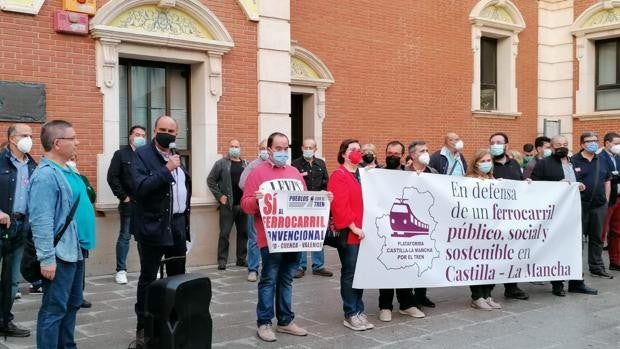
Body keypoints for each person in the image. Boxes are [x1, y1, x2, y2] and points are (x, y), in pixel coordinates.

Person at [241, 132, 310, 342]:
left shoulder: (295, 172)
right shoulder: (257, 173)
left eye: (285, 148)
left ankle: (285, 321)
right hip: (269, 238)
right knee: (269, 279)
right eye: (278, 148)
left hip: (294, 237)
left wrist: (323, 200)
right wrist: (256, 201)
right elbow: (245, 204)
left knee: (287, 278)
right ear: (269, 150)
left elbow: (305, 200)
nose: (282, 152)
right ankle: (264, 323)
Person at [131, 116, 191, 347]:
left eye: (172, 130)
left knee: (177, 277)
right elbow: (141, 188)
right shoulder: (143, 156)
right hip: (153, 228)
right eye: (163, 129)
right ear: (155, 131)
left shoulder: (176, 155)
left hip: (176, 226)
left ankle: (172, 323)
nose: (168, 134)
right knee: (149, 278)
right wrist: (166, 169)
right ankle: (144, 328)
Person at [28, 120, 85, 348]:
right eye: (73, 138)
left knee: (72, 304)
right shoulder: (45, 176)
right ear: (58, 143)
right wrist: (47, 259)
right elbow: (41, 221)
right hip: (58, 255)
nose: (77, 142)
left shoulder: (65, 170)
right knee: (54, 309)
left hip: (74, 251)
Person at [531, 135, 598, 296]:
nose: (562, 147)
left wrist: (580, 184)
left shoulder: (573, 161)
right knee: (557, 246)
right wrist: (555, 186)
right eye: (558, 144)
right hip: (555, 213)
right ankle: (558, 284)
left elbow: (578, 179)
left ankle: (577, 282)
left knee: (577, 245)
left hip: (574, 210)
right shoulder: (544, 164)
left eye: (565, 144)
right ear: (551, 147)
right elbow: (534, 184)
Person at [328, 139, 374, 331]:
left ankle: (358, 309)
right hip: (350, 232)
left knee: (360, 273)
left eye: (359, 150)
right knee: (350, 272)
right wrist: (353, 227)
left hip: (365, 231)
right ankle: (350, 312)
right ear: (344, 153)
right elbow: (339, 205)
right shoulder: (339, 175)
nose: (357, 153)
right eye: (352, 149)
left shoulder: (363, 174)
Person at [378, 141, 425, 322]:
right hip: (384, 227)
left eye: (396, 153)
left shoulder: (410, 174)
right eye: (389, 152)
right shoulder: (377, 172)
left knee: (405, 266)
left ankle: (407, 304)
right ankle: (385, 306)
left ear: (402, 155)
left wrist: (421, 177)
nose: (392, 156)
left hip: (404, 228)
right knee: (387, 266)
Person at [0, 123, 36, 337]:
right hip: (1, 225)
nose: (29, 139)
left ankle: (5, 320)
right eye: (25, 135)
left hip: (21, 227)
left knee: (11, 280)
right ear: (12, 138)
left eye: (31, 135)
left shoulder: (33, 165)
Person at [488, 132, 529, 301]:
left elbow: (519, 186)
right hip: (492, 217)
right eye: (492, 142)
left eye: (499, 142)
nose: (495, 144)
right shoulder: (486, 163)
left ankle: (511, 287)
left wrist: (527, 184)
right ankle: (485, 290)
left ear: (506, 145)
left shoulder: (514, 164)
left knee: (511, 252)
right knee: (491, 253)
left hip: (512, 216)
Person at [107, 125, 147, 284]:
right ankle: (121, 270)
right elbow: (112, 177)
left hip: (145, 204)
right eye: (137, 134)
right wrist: (123, 197)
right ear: (130, 136)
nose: (140, 137)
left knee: (144, 238)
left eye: (143, 135)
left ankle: (147, 268)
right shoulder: (121, 154)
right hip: (129, 203)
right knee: (125, 236)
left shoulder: (147, 154)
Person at [572, 131, 612, 279]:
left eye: (595, 140)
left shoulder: (602, 159)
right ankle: (576, 270)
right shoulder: (573, 160)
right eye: (589, 141)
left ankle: (597, 267)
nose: (593, 143)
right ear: (582, 144)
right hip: (580, 206)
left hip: (599, 206)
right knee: (577, 239)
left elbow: (607, 180)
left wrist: (606, 199)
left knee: (597, 238)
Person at [465, 148, 501, 310]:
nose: (486, 164)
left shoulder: (494, 179)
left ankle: (488, 295)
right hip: (476, 230)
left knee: (491, 263)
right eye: (482, 161)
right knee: (477, 264)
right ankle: (477, 296)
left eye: (488, 161)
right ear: (475, 164)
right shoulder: (468, 180)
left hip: (492, 230)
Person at [291, 138, 332, 278]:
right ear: (302, 148)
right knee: (302, 235)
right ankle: (300, 266)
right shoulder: (295, 164)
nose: (308, 150)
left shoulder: (321, 163)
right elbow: (292, 184)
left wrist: (324, 192)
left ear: (315, 149)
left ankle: (318, 266)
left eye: (311, 147)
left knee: (317, 235)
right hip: (300, 206)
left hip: (317, 206)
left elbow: (326, 182)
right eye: (306, 147)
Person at [405, 140, 438, 309]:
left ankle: (421, 295)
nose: (426, 153)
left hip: (428, 221)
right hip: (408, 222)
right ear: (412, 155)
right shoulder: (402, 172)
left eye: (427, 150)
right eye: (422, 151)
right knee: (410, 260)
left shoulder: (434, 173)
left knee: (424, 260)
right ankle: (408, 298)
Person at [208, 139, 248, 270]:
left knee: (243, 233)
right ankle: (222, 261)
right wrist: (220, 196)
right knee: (224, 234)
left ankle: (241, 259)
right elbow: (211, 180)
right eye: (232, 146)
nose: (234, 148)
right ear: (228, 147)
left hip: (243, 205)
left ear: (240, 148)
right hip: (228, 206)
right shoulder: (221, 164)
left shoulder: (245, 164)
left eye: (237, 146)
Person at [66, 155, 97, 309]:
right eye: (69, 158)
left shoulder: (82, 178)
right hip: (69, 230)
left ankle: (78, 294)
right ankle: (69, 295)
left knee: (81, 263)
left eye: (74, 158)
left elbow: (92, 196)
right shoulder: (60, 176)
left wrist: (82, 181)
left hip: (83, 231)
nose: (72, 161)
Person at [239, 139, 268, 282]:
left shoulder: (275, 166)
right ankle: (253, 269)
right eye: (262, 148)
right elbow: (242, 183)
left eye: (266, 148)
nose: (265, 151)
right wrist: (254, 194)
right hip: (256, 208)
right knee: (254, 239)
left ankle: (268, 268)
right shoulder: (253, 166)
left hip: (272, 210)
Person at [601, 132, 620, 269]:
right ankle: (596, 264)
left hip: (618, 199)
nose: (618, 146)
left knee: (617, 231)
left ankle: (615, 261)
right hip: (607, 200)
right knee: (601, 232)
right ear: (607, 143)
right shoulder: (599, 158)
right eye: (616, 144)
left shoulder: (618, 158)